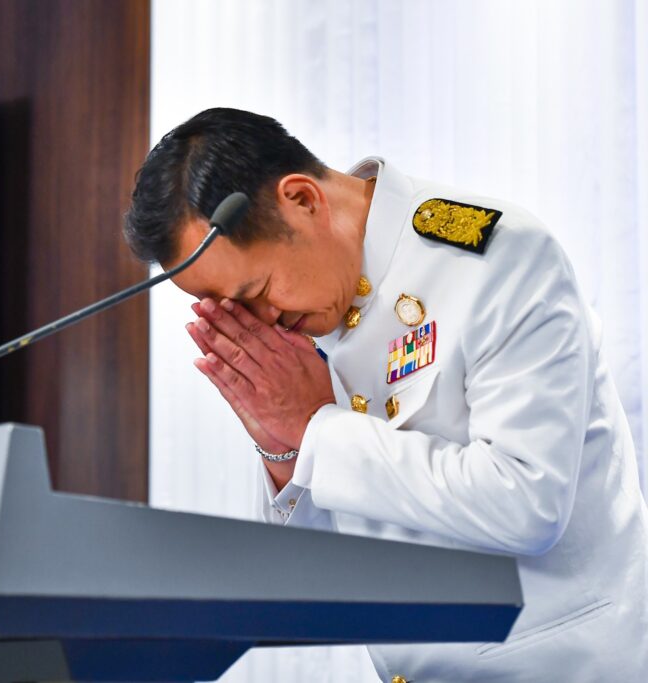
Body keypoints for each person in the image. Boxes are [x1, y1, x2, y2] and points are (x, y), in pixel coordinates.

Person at [123, 108, 648, 681]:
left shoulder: (497, 259)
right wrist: (285, 449)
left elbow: (527, 503)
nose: (261, 322)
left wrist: (317, 427)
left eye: (258, 291)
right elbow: (310, 584)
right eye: (233, 309)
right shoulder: (304, 312)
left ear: (302, 200)